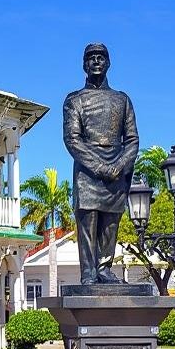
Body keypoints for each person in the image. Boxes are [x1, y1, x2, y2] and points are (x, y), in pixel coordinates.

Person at [63, 42, 140, 285]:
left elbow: (132, 139)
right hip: (87, 171)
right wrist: (99, 167)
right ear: (84, 64)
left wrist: (118, 166)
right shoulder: (75, 100)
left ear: (108, 63)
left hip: (117, 170)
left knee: (110, 225)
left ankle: (105, 269)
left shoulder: (122, 100)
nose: (96, 61)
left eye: (101, 57)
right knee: (88, 224)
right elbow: (72, 139)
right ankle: (88, 274)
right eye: (91, 57)